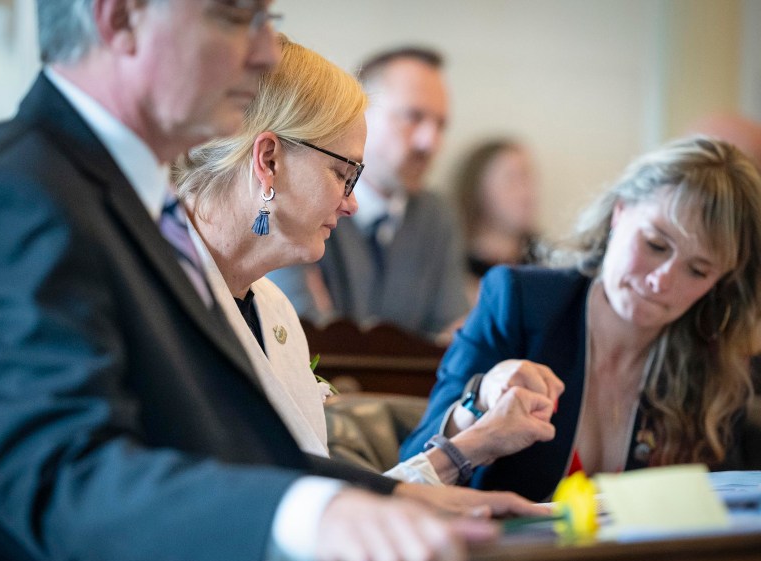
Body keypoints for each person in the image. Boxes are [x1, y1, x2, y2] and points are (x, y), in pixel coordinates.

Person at [0, 2, 540, 561]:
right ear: (121, 19)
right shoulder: (22, 196)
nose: (263, 51)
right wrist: (321, 517)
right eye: (236, 18)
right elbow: (66, 479)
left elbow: (222, 454)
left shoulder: (128, 205)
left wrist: (409, 494)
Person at [172, 34, 558, 491]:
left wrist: (470, 447)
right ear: (269, 160)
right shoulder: (156, 289)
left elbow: (318, 502)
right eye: (343, 173)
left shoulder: (273, 310)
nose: (351, 203)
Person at [401, 136, 761, 502]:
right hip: (510, 556)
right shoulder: (520, 300)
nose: (661, 280)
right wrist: (479, 401)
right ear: (619, 212)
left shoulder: (717, 361)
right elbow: (410, 468)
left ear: (720, 282)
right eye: (655, 245)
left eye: (698, 270)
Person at [267, 46, 469, 341]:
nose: (431, 142)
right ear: (361, 112)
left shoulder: (437, 217)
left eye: (440, 125)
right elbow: (301, 334)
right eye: (413, 117)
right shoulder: (298, 197)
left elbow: (449, 344)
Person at [454, 138, 542, 303]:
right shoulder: (453, 264)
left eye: (528, 178)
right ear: (478, 190)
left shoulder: (549, 260)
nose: (526, 193)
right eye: (511, 179)